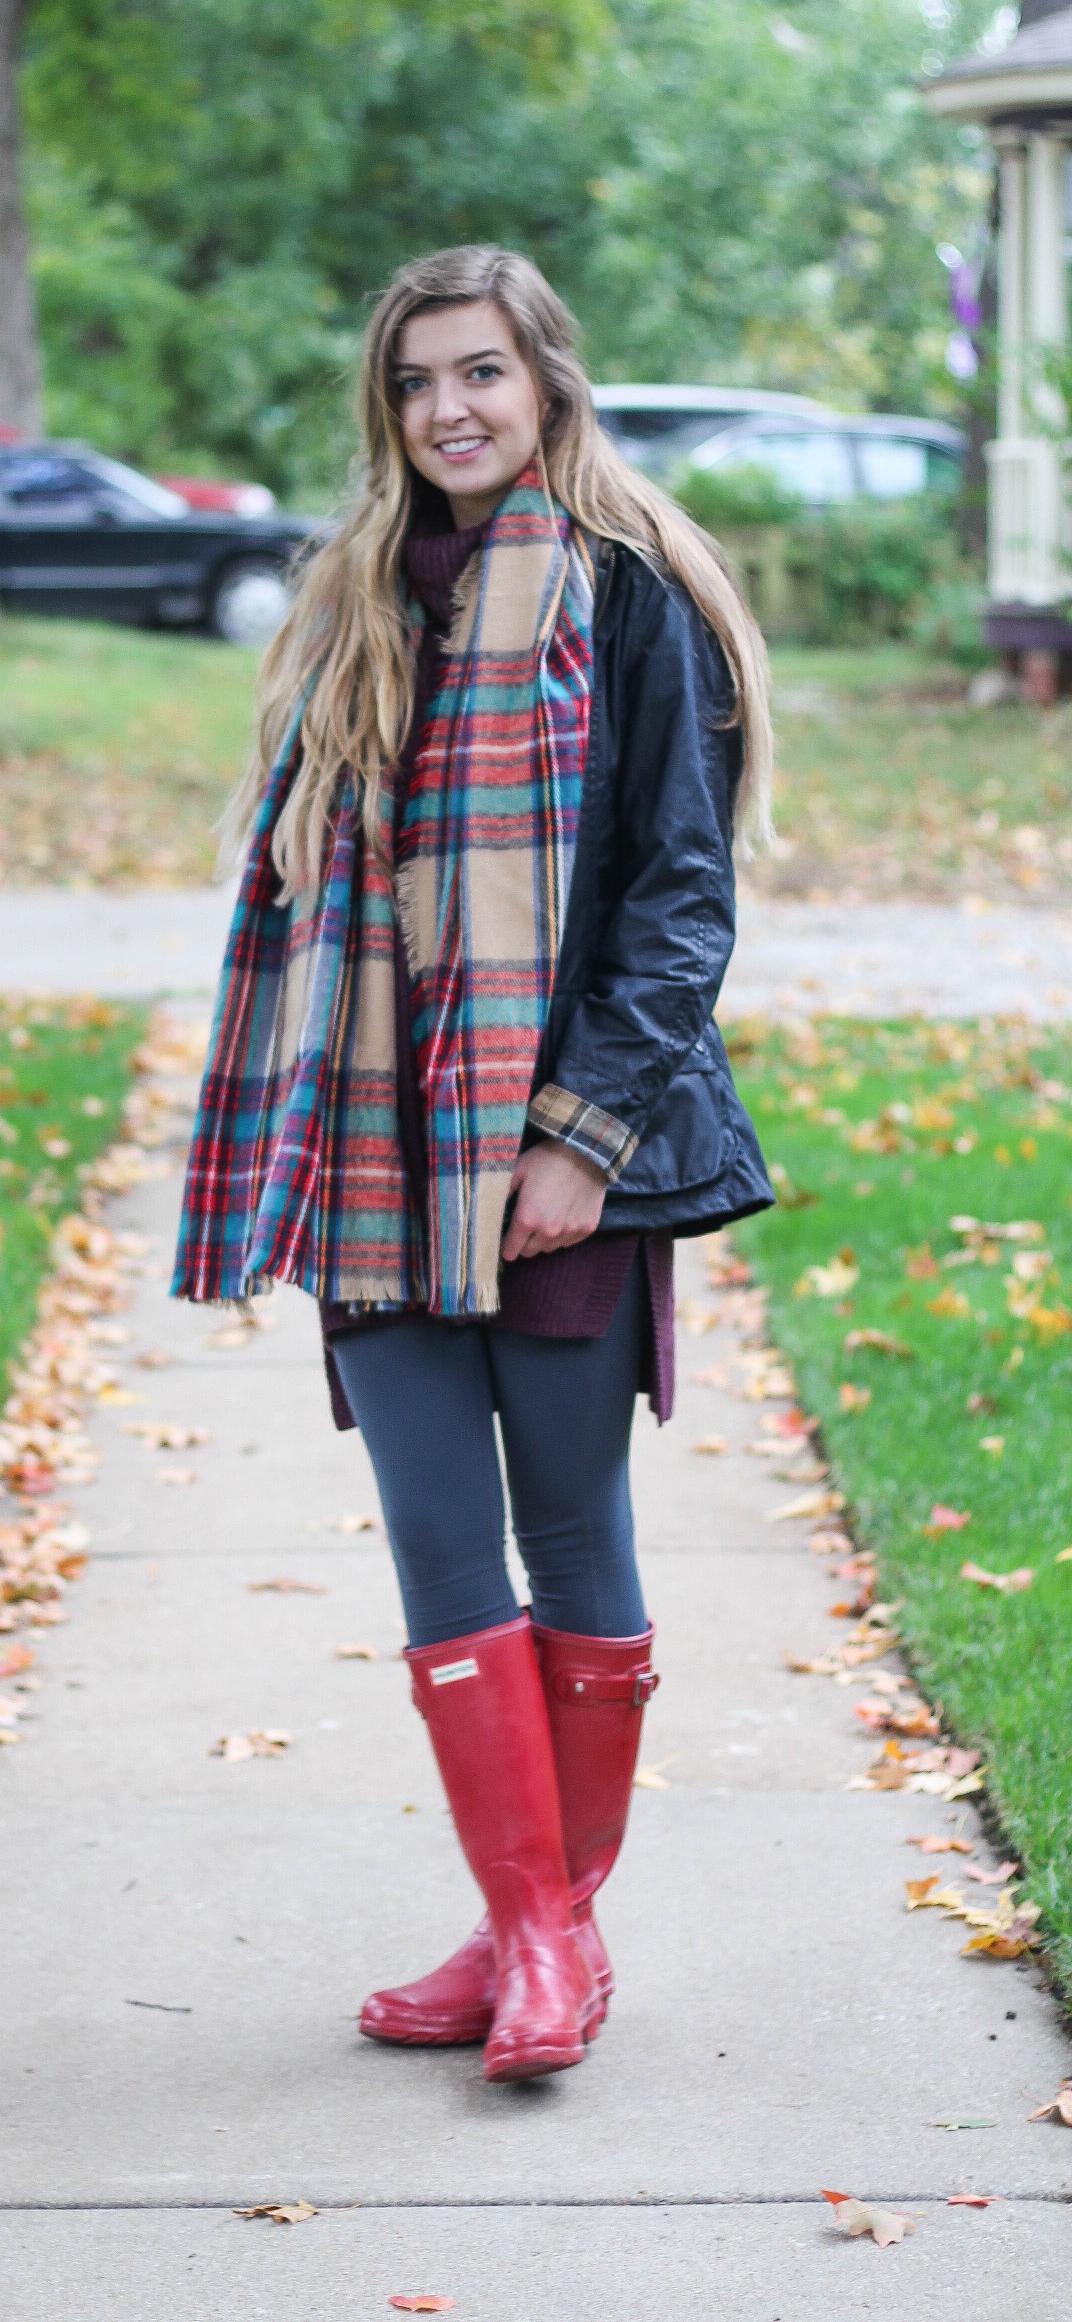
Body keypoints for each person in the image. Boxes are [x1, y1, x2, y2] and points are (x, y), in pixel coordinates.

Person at [172, 246, 774, 2084]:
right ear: (389, 405)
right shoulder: (352, 600)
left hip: (559, 1151)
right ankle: (536, 1935)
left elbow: (680, 904)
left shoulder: (630, 593)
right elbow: (295, 892)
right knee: (442, 1538)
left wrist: (580, 1141)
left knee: (573, 1524)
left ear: (548, 384)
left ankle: (543, 1944)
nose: (451, 408)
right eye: (420, 380)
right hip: (371, 1146)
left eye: (484, 374)